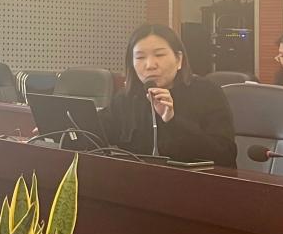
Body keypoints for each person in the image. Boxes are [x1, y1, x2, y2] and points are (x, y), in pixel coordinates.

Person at [101, 23, 237, 167]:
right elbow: (97, 133)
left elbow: (225, 155)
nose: (150, 65)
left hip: (193, 179)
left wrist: (172, 121)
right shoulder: (127, 98)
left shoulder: (207, 92)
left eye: (159, 55)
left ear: (178, 59)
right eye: (140, 57)